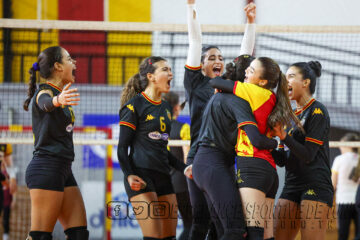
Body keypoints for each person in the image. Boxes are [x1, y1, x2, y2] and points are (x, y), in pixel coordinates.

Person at [184, 0, 256, 238]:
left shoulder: (230, 87)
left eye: (220, 58)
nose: (217, 61)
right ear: (201, 64)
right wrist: (191, 8)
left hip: (224, 159)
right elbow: (195, 41)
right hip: (199, 158)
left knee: (221, 225)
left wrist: (250, 23)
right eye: (211, 57)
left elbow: (245, 57)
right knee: (201, 222)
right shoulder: (196, 84)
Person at [210, 56, 300, 240]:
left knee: (253, 233)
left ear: (262, 81)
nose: (246, 72)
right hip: (268, 172)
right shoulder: (273, 97)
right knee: (267, 236)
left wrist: (226, 79)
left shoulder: (253, 91)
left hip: (252, 168)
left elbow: (214, 81)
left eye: (251, 70)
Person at [118, 56, 191, 240]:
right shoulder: (134, 106)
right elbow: (122, 148)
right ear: (150, 76)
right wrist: (129, 174)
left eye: (170, 69)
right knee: (154, 237)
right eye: (165, 69)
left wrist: (185, 168)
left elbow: (163, 150)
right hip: (141, 177)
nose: (171, 73)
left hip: (164, 177)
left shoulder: (166, 108)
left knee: (169, 237)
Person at [23, 46, 88, 240]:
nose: (74, 63)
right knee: (40, 236)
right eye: (69, 59)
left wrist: (60, 100)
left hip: (63, 168)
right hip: (46, 167)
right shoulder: (45, 93)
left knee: (79, 234)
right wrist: (57, 100)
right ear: (58, 66)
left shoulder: (60, 94)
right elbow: (44, 103)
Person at [272, 61, 334, 240]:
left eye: (290, 76)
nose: (285, 81)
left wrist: (284, 136)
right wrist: (265, 143)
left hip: (315, 184)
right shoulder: (290, 116)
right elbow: (283, 160)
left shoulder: (317, 111)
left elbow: (308, 155)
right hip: (292, 184)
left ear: (305, 82)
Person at [163, 91, 192, 240]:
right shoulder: (183, 128)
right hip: (182, 184)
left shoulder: (157, 128)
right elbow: (187, 159)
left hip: (164, 183)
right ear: (176, 108)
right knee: (191, 224)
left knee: (167, 227)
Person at [332, 133, 360, 240]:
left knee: (343, 235)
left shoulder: (339, 159)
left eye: (341, 144)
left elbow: (333, 184)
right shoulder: (359, 158)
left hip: (343, 202)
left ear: (349, 145)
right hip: (358, 202)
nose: (339, 146)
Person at [0, 143, 17, 240]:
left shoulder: (5, 144)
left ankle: (6, 236)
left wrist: (13, 179)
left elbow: (12, 188)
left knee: (5, 220)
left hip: (6, 201)